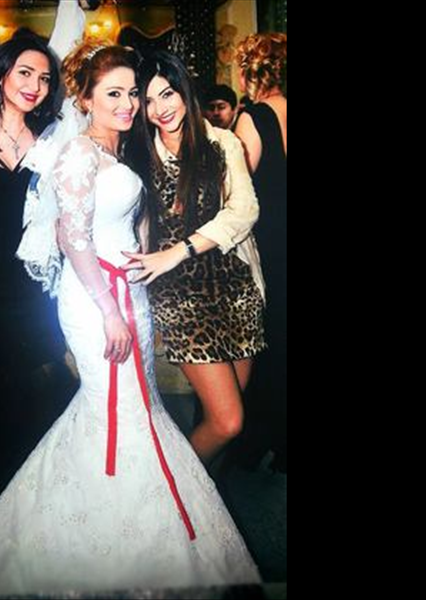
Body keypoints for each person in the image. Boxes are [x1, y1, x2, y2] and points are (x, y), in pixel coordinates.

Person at [0, 41, 260, 597]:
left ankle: (122, 534)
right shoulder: (79, 152)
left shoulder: (120, 151)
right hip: (98, 301)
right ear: (86, 100)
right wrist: (110, 310)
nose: (128, 104)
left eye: (132, 93)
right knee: (118, 414)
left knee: (128, 414)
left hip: (128, 294)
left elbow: (128, 223)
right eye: (113, 94)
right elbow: (72, 238)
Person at [121, 50, 266, 466]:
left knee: (219, 414)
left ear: (183, 89)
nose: (160, 109)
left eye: (167, 94)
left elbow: (245, 210)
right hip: (180, 295)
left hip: (236, 285)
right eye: (148, 100)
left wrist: (180, 250)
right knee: (228, 421)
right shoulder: (137, 154)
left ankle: (201, 498)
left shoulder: (222, 142)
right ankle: (173, 493)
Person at [0, 30, 75, 529]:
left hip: (33, 288)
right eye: (25, 73)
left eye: (45, 79)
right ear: (2, 74)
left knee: (41, 394)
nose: (35, 85)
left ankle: (36, 519)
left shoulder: (53, 139)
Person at [232, 32, 287, 473]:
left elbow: (237, 189)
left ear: (251, 72)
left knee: (266, 338)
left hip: (269, 239)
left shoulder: (253, 117)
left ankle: (257, 440)